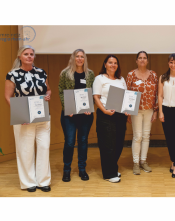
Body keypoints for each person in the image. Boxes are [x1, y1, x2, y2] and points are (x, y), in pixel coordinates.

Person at [4, 45, 51, 192]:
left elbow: (47, 89)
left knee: (44, 147)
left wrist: (49, 94)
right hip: (24, 119)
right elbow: (8, 97)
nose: (29, 56)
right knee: (25, 150)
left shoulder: (41, 72)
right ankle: (28, 182)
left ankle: (43, 181)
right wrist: (19, 115)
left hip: (42, 117)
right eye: (26, 54)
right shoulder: (12, 74)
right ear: (20, 57)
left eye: (31, 54)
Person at [58, 49, 95, 182]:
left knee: (83, 141)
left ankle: (82, 169)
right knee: (69, 142)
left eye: (82, 57)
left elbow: (91, 93)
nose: (80, 59)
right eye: (77, 56)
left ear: (85, 59)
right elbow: (61, 92)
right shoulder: (65, 73)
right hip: (69, 115)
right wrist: (68, 108)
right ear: (73, 58)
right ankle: (66, 170)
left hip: (85, 115)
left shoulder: (90, 74)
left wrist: (89, 107)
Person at [93, 55, 129, 183]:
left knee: (118, 144)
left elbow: (125, 96)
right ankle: (109, 173)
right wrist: (104, 110)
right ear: (105, 64)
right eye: (110, 62)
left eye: (115, 63)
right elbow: (96, 97)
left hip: (120, 115)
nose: (113, 65)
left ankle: (113, 168)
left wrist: (127, 110)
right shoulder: (99, 79)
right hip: (106, 115)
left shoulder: (121, 79)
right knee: (107, 145)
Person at [126, 51, 158, 175]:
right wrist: (128, 113)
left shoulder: (154, 75)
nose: (142, 60)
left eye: (144, 58)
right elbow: (127, 93)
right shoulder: (131, 75)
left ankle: (143, 161)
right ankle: (135, 163)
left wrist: (156, 111)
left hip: (149, 109)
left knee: (146, 136)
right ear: (136, 60)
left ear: (147, 61)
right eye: (140, 58)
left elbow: (156, 94)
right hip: (135, 110)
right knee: (137, 136)